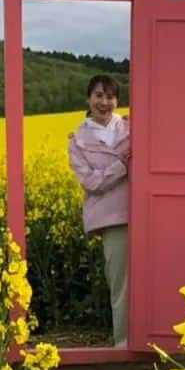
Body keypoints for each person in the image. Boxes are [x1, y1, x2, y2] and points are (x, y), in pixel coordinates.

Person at [67, 74, 131, 348]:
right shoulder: (78, 140)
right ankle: (124, 341)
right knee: (121, 281)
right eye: (98, 96)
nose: (104, 102)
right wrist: (122, 167)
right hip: (113, 216)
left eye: (110, 96)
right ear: (88, 99)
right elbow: (91, 182)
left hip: (146, 209)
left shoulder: (131, 126)